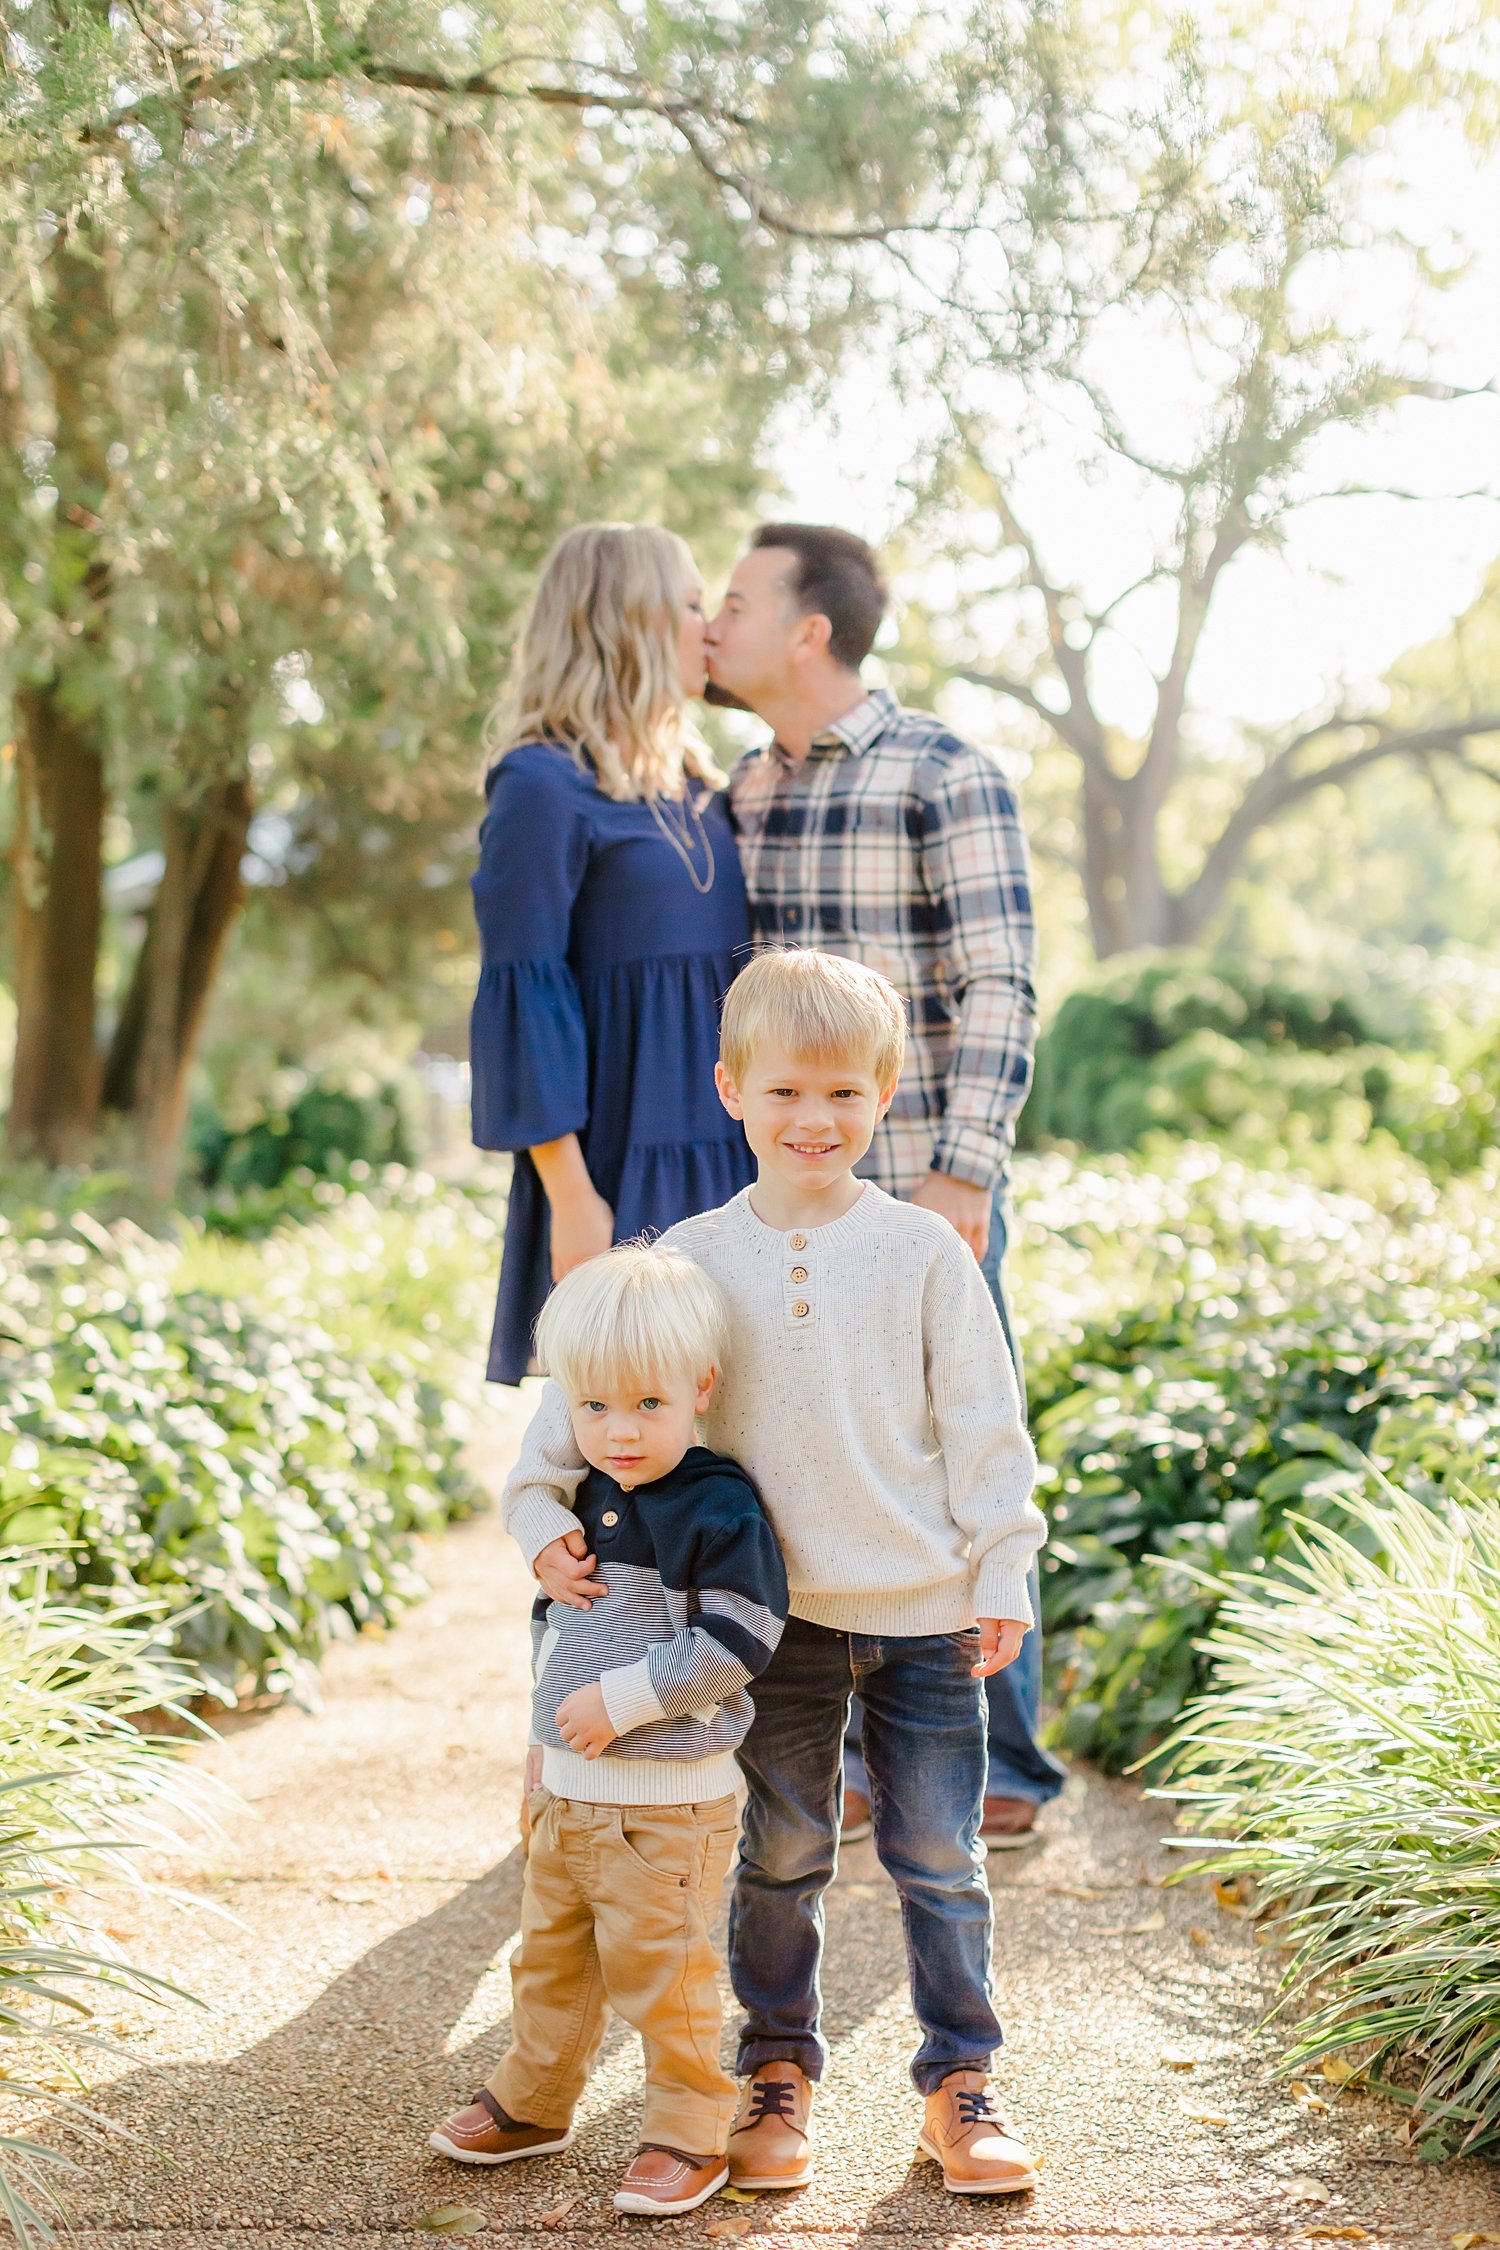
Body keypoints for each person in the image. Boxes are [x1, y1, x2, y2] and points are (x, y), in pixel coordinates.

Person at [504, 950, 1047, 2197]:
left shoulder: (921, 1252)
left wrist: (1002, 1567)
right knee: (784, 1856)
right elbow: (561, 1434)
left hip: (922, 1619)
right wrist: (538, 1524)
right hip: (768, 1628)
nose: (817, 1121)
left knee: (938, 1856)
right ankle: (775, 2072)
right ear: (731, 1090)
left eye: (845, 1095)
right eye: (788, 1092)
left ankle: (962, 2083)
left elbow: (983, 1424)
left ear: (886, 1096)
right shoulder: (689, 1261)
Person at [703, 523, 1066, 1846]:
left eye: (733, 602)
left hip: (922, 1189)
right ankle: (855, 1756)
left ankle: (1005, 1762)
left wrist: (966, 1171)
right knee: (820, 1458)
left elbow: (1000, 982)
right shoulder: (740, 787)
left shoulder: (940, 769)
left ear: (811, 628)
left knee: (964, 1458)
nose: (710, 621)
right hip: (797, 1195)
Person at [430, 1244, 788, 2216]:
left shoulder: (718, 1506)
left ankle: (689, 2130)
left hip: (665, 1810)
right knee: (549, 1959)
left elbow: (738, 1641)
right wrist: (541, 1758)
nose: (619, 1433)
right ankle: (536, 2098)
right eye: (593, 1408)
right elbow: (556, 1645)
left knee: (663, 1977)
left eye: (646, 1406)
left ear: (699, 1388)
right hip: (567, 1797)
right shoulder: (582, 1500)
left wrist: (626, 1702)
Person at [468, 522, 754, 1387]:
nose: (709, 630)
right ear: (631, 620)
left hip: (735, 1151)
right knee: (632, 1427)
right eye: (695, 606)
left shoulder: (703, 790)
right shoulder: (540, 785)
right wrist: (573, 1198)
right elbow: (525, 993)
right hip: (622, 1165)